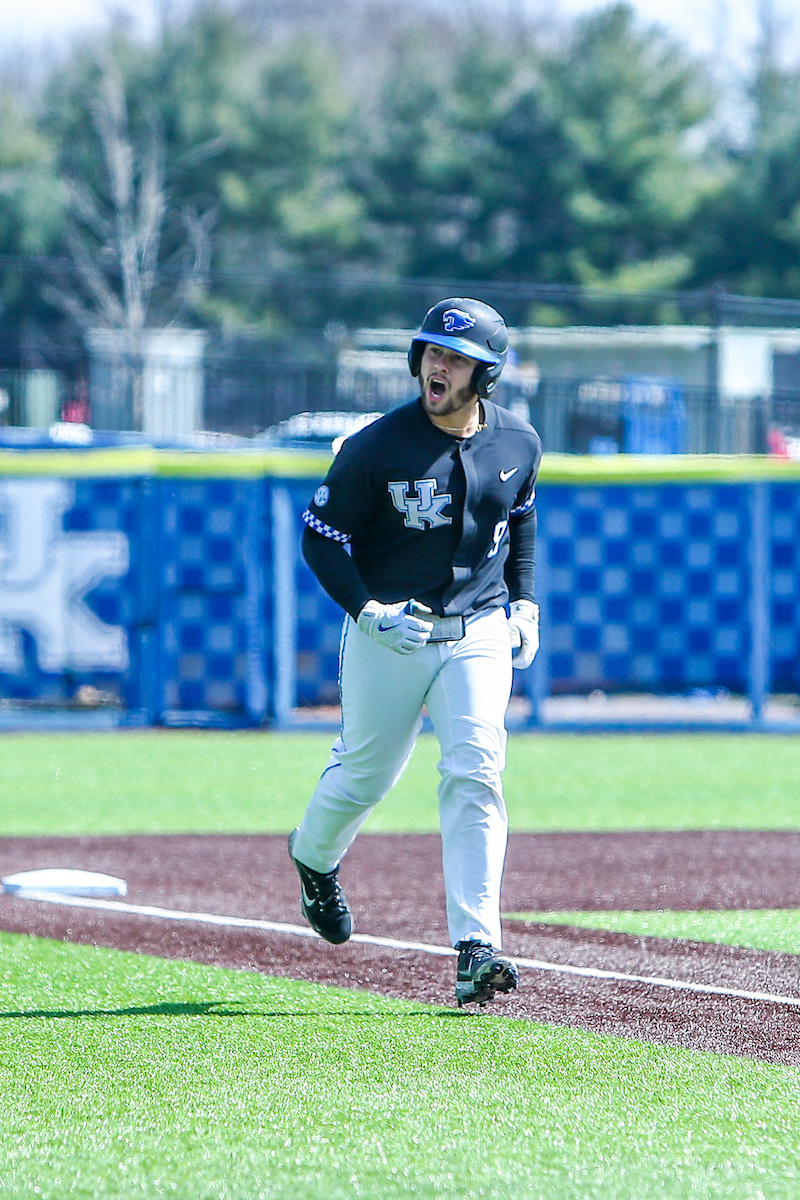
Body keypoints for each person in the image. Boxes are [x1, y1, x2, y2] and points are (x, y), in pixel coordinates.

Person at [288, 297, 542, 1007]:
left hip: (479, 630)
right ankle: (313, 860)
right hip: (390, 631)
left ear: (484, 376)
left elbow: (519, 521)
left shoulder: (518, 442)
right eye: (433, 350)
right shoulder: (375, 445)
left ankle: (476, 946)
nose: (439, 364)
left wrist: (525, 602)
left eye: (457, 358)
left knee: (476, 769)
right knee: (366, 776)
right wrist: (366, 611)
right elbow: (321, 536)